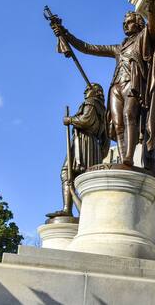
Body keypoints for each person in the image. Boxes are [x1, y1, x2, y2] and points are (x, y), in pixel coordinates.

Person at [51, 0, 155, 169]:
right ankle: (123, 159)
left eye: (129, 22)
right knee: (117, 123)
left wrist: (151, 6)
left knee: (130, 116)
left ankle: (129, 156)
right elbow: (88, 47)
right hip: (116, 87)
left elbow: (153, 27)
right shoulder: (118, 48)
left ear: (138, 24)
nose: (125, 25)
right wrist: (65, 33)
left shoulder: (144, 38)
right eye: (124, 23)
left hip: (133, 84)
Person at [48, 83, 107, 219]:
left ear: (95, 92)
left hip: (83, 143)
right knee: (81, 176)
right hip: (91, 144)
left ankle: (68, 209)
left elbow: (85, 120)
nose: (85, 91)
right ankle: (79, 208)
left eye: (88, 89)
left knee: (67, 172)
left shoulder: (91, 103)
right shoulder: (102, 109)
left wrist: (70, 120)